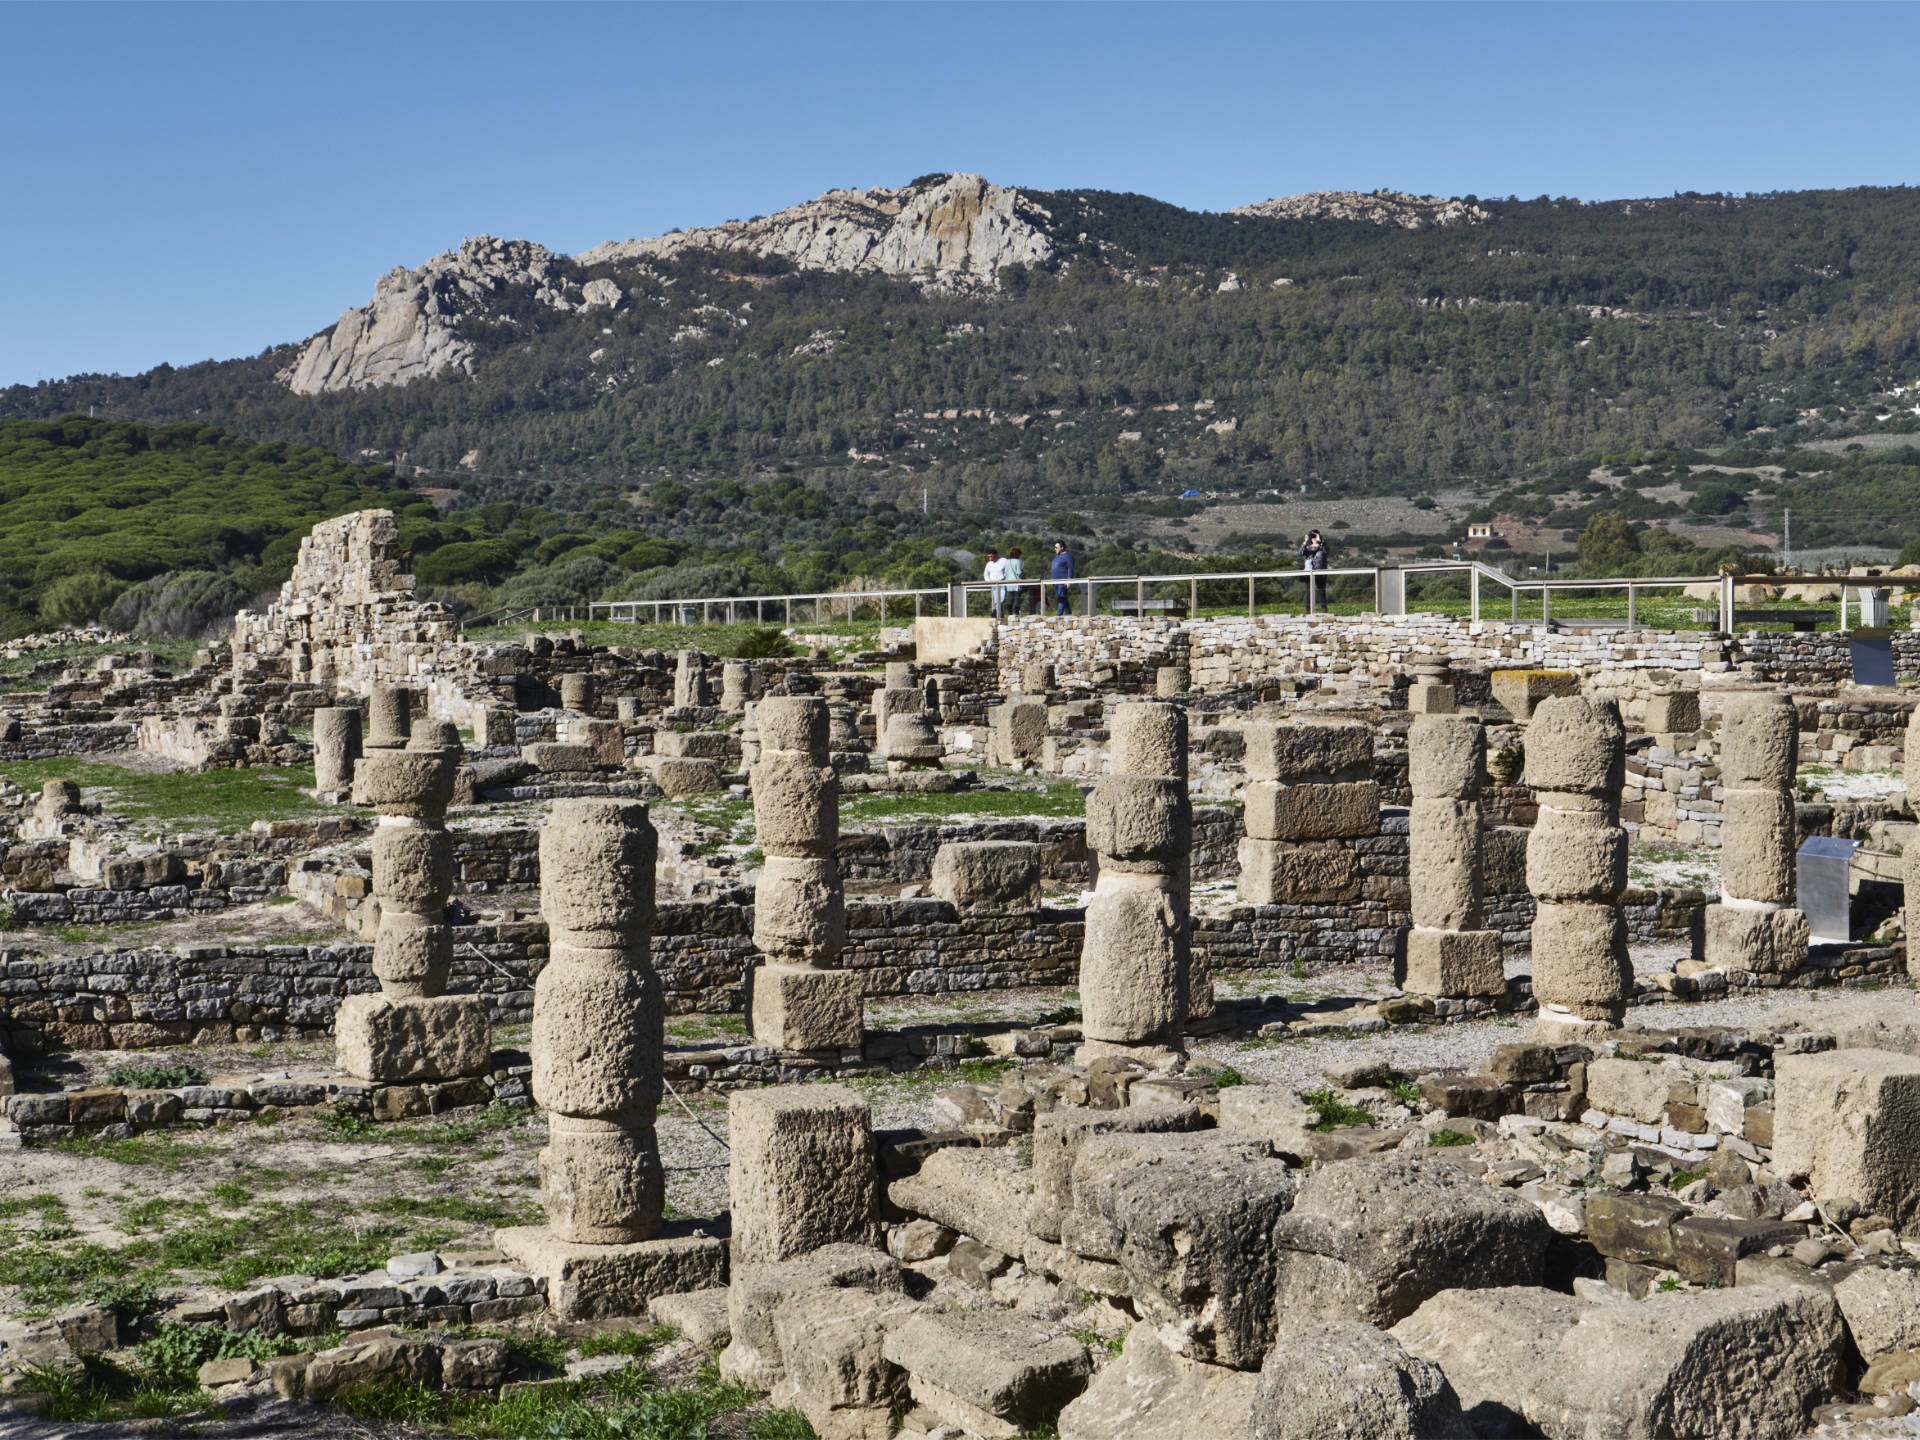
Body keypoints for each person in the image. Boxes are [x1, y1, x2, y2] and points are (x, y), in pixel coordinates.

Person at [1300, 529, 1329, 610]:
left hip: (1320, 571)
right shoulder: (1307, 547)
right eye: (1312, 537)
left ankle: (1324, 609)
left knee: (1321, 590)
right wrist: (1304, 542)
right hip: (1309, 572)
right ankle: (1308, 609)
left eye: (1315, 536)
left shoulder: (1322, 546)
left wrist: (1320, 542)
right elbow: (1300, 553)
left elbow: (1326, 551)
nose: (1314, 538)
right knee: (1309, 591)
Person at [1050, 540, 1076, 616]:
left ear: (1062, 547)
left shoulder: (1068, 556)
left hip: (1063, 581)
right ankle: (1068, 613)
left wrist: (1069, 580)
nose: (1055, 549)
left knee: (1061, 598)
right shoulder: (1056, 556)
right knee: (1062, 598)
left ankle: (1059, 616)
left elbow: (1070, 568)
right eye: (1055, 547)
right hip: (1054, 582)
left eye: (1056, 547)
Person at [983, 549, 1007, 617]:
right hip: (993, 585)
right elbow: (986, 574)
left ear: (996, 555)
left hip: (1002, 583)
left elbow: (1007, 570)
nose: (990, 558)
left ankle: (995, 613)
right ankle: (999, 615)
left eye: (991, 556)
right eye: (989, 556)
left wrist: (1005, 579)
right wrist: (988, 582)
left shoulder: (1003, 561)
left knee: (1002, 599)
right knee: (996, 600)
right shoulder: (989, 564)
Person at [1004, 547, 1026, 616]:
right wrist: (1023, 574)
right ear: (1017, 554)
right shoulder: (1018, 561)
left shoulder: (1007, 562)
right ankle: (1016, 614)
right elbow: (1019, 573)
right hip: (1017, 584)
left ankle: (1010, 614)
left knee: (1010, 600)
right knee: (1017, 600)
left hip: (1009, 584)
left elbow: (1005, 573)